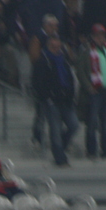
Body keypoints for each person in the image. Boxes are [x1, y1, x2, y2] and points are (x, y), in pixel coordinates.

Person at [78, 24, 106, 160]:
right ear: (92, 37)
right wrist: (88, 87)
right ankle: (91, 150)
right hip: (95, 91)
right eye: (97, 35)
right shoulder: (86, 51)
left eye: (102, 35)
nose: (100, 38)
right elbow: (80, 71)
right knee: (92, 121)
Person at [32, 36, 78, 166]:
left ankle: (61, 147)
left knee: (74, 125)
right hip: (51, 101)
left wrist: (71, 95)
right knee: (55, 130)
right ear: (48, 46)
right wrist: (47, 97)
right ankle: (60, 157)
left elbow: (70, 79)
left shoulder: (64, 61)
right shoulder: (43, 61)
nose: (56, 49)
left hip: (66, 100)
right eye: (53, 47)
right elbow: (37, 82)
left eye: (58, 47)